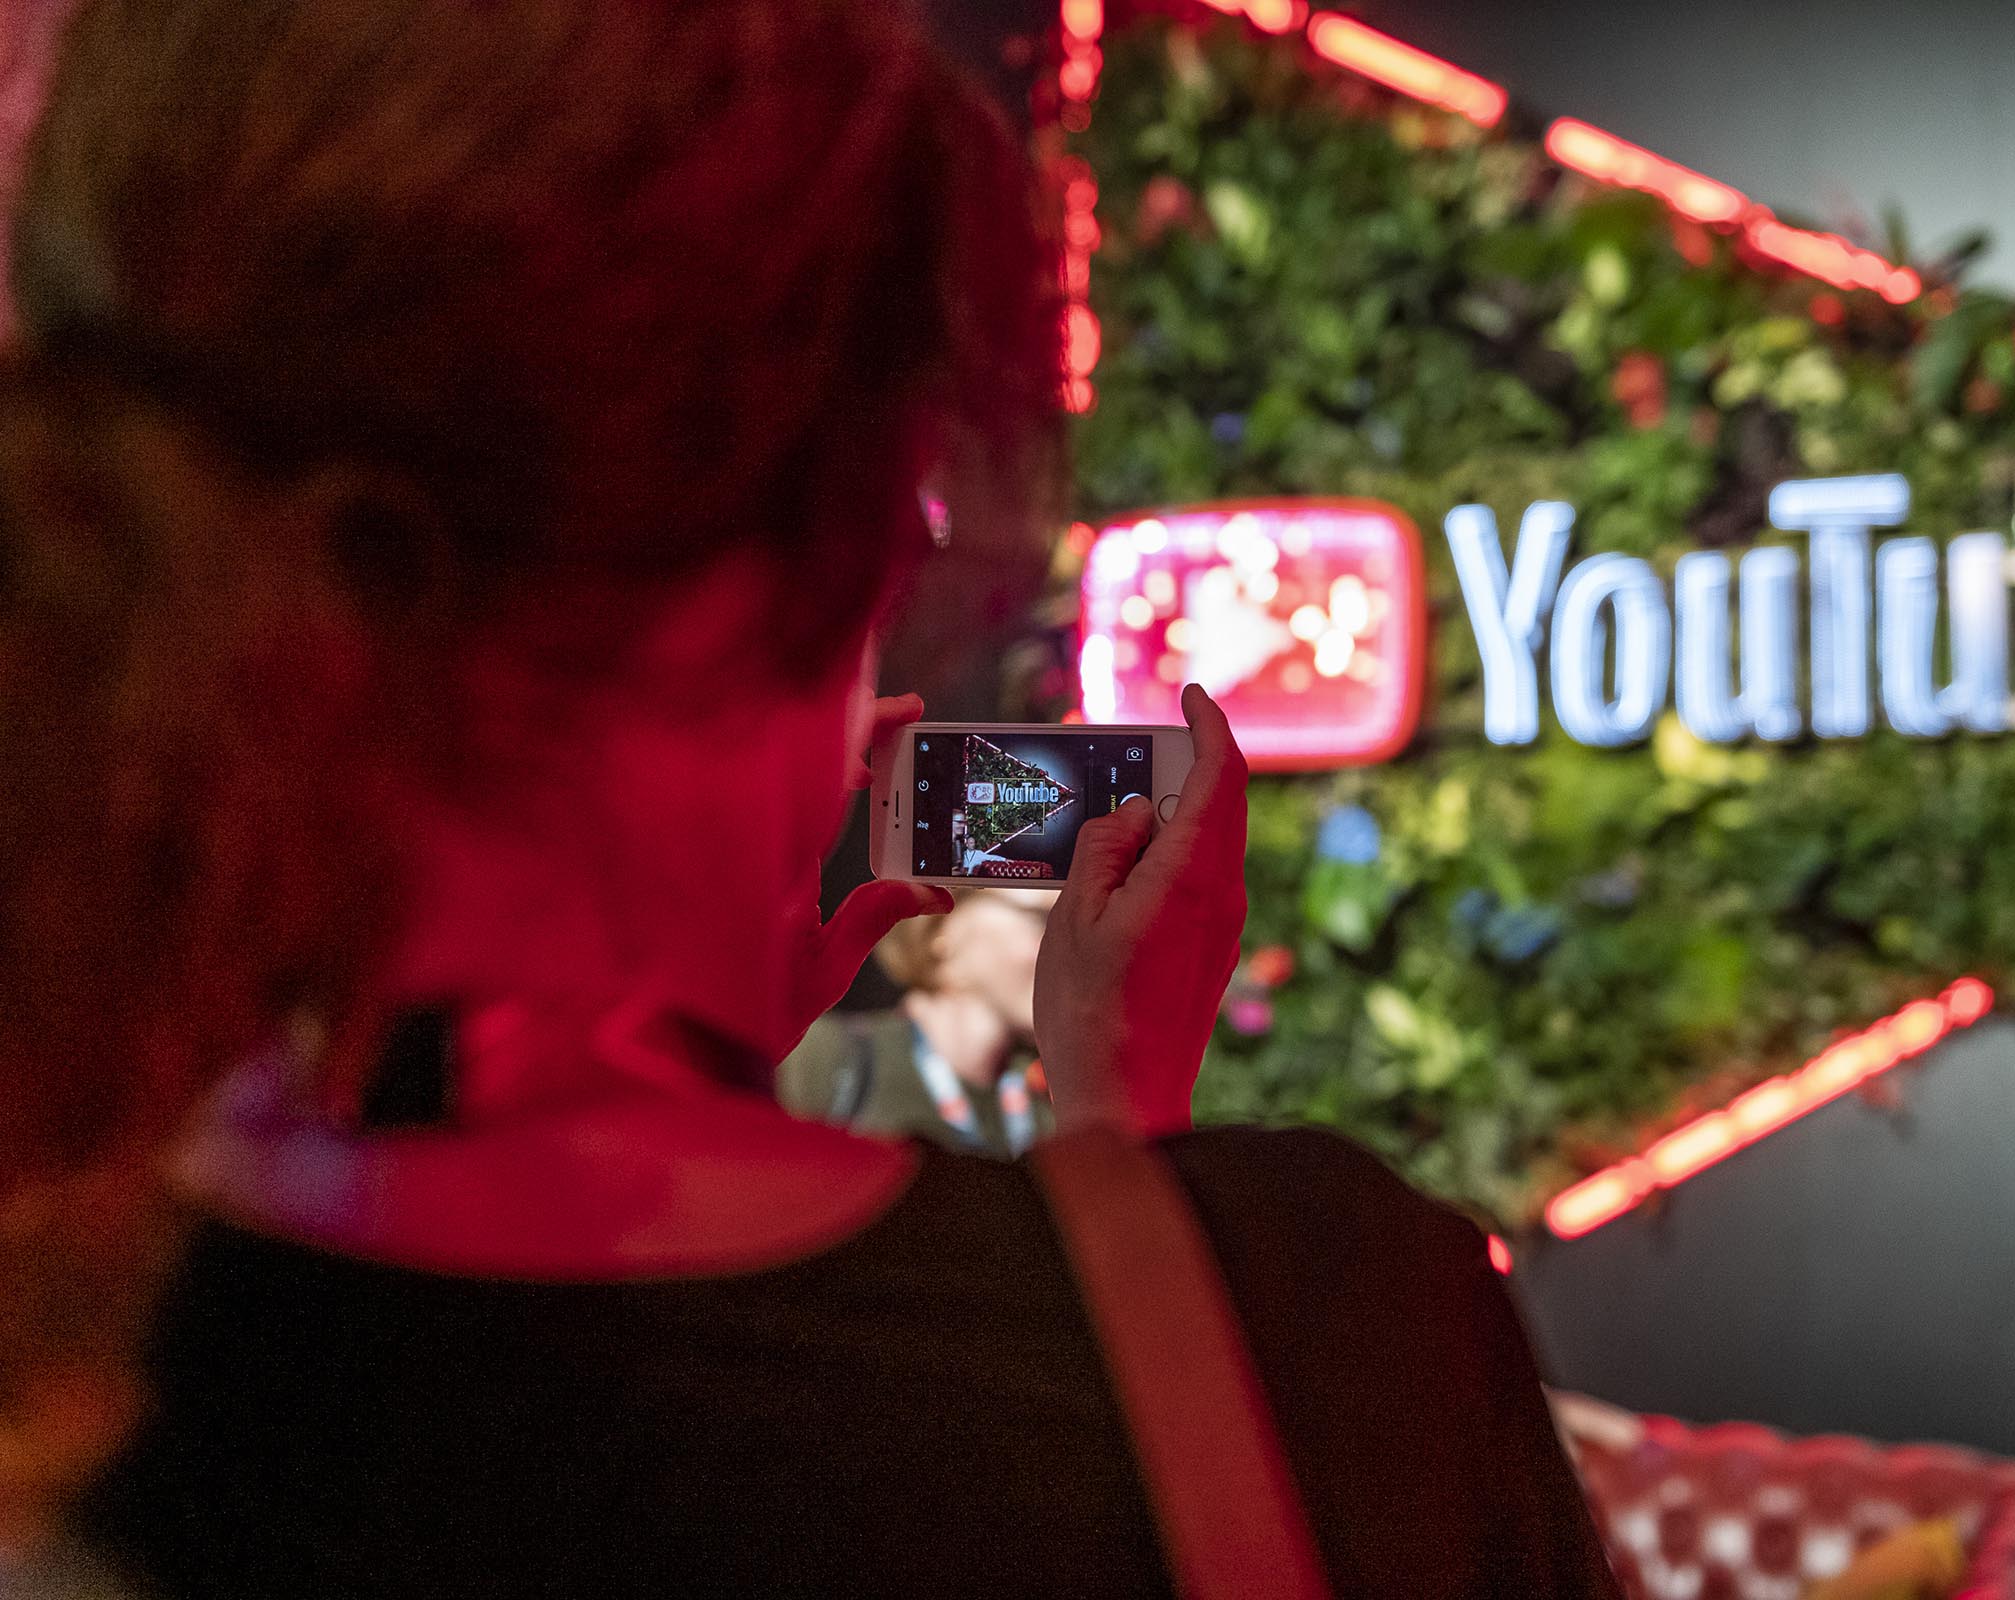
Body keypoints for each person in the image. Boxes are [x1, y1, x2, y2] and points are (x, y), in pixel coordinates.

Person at [0, 1, 1621, 1595]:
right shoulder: (1324, 1357)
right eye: (904, 519)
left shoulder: (75, 1353)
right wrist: (1140, 1198)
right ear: (796, 562)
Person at [781, 888, 1054, 1156]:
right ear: (943, 927)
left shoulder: (1053, 1102)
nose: (1064, 949)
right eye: (1043, 919)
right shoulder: (821, 1057)